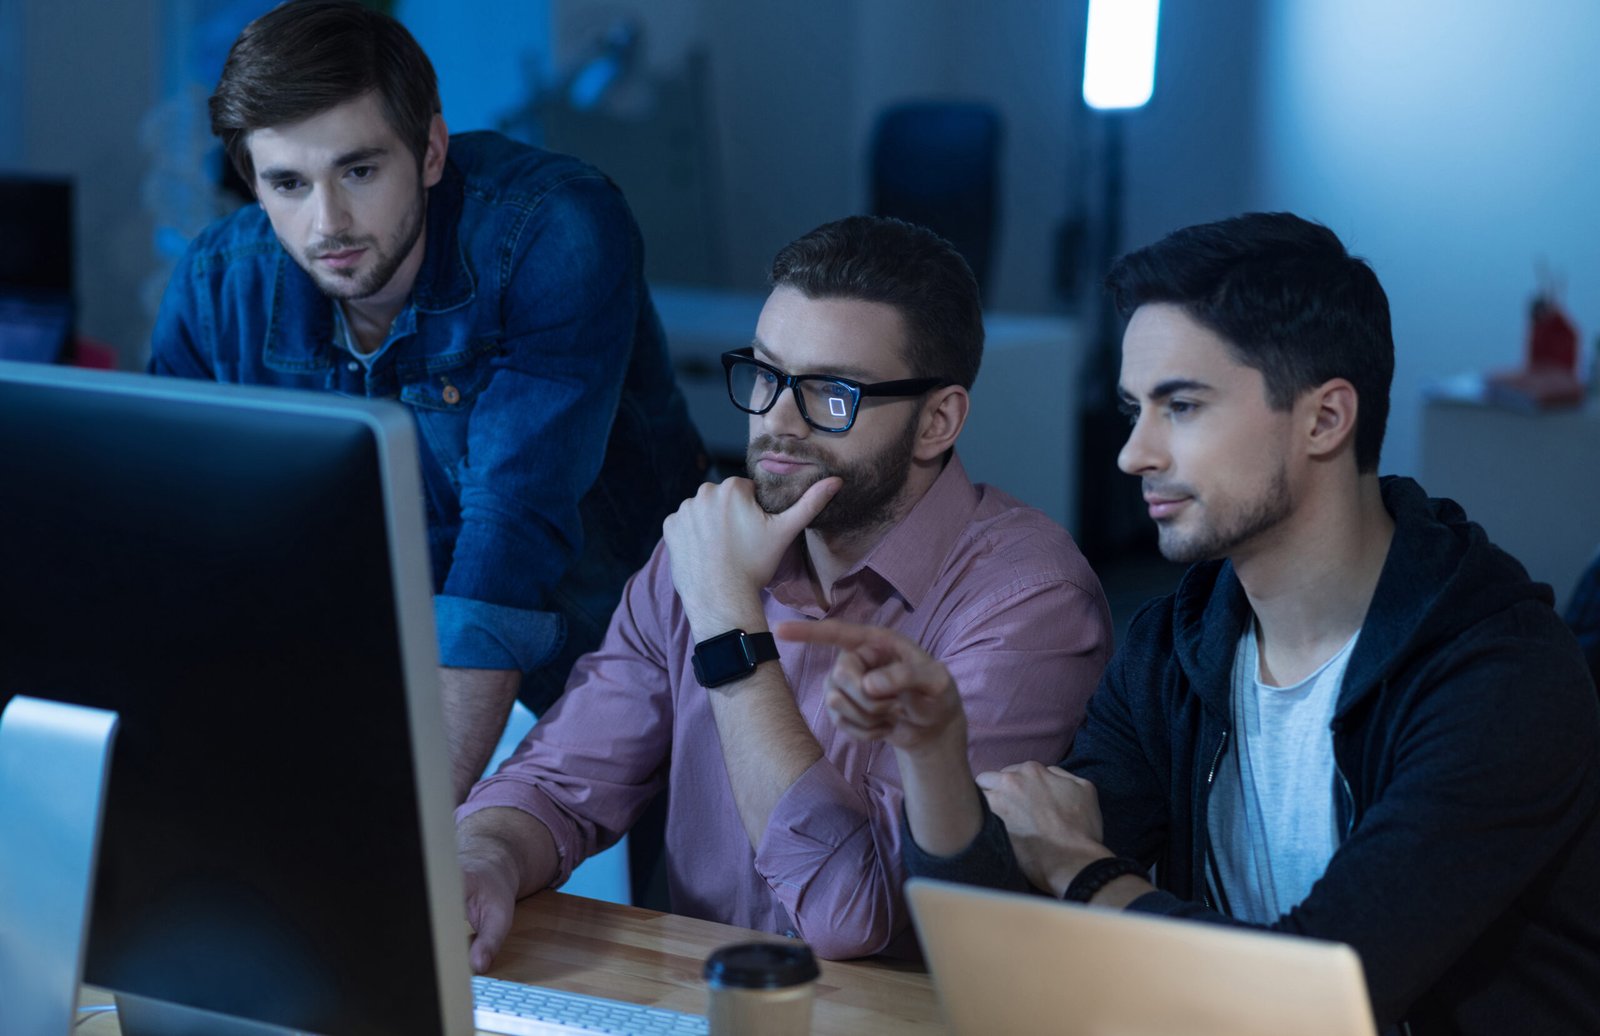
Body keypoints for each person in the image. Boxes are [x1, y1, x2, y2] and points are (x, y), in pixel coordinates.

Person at [789, 213, 1600, 1032]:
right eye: (1134, 408)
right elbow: (1007, 922)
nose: (1133, 453)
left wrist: (1088, 873)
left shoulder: (1500, 677)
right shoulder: (1175, 648)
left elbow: (1323, 998)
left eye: (1179, 406)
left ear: (1325, 419)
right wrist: (933, 756)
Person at [454, 215, 1113, 965]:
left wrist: (729, 621)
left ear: (938, 420)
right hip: (701, 1006)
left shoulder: (1030, 603)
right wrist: (488, 853)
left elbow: (852, 915)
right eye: (767, 374)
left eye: (830, 393)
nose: (775, 420)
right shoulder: (707, 549)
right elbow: (560, 784)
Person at [147, 0, 708, 802]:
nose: (327, 222)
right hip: (355, 671)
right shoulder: (215, 286)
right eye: (288, 184)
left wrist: (390, 846)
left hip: (604, 671)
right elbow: (180, 543)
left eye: (360, 170)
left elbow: (509, 539)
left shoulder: (553, 232)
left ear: (432, 150)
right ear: (253, 184)